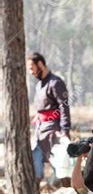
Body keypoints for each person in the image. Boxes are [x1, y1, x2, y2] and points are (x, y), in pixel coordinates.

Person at [27, 52, 71, 185]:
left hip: (54, 130)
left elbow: (64, 107)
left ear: (40, 64)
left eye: (31, 67)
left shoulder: (56, 83)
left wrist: (65, 129)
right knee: (36, 165)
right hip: (40, 131)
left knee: (60, 166)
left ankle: (70, 193)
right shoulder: (38, 85)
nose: (30, 72)